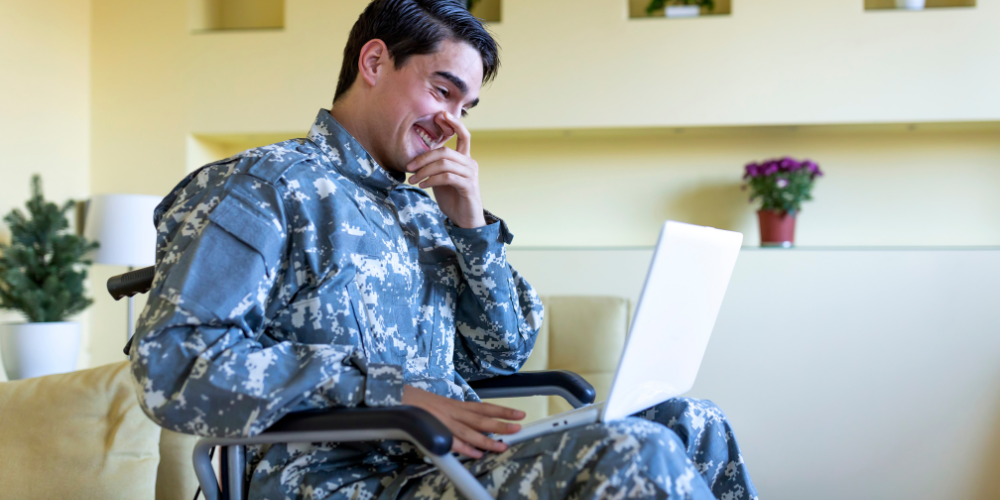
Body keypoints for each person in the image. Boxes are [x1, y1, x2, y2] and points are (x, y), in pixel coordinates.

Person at [129, 1, 758, 498]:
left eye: (467, 105)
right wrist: (393, 394)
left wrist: (472, 230)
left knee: (689, 421)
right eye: (441, 90)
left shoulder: (425, 205)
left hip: (445, 465)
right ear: (374, 62)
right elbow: (173, 364)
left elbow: (503, 354)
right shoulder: (266, 185)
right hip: (339, 481)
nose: (454, 124)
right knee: (635, 455)